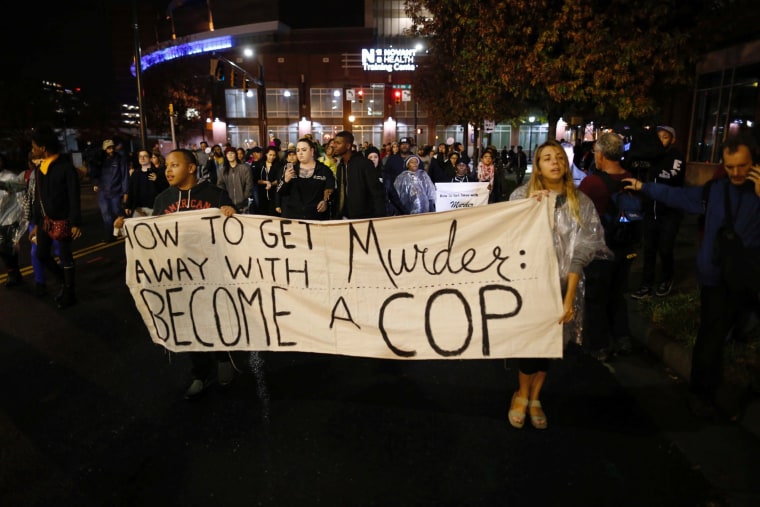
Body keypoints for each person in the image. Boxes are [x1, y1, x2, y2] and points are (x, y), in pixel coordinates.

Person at [622, 131, 760, 418]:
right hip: (717, 278)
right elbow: (681, 197)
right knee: (711, 334)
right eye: (729, 165)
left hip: (750, 276)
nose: (735, 172)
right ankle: (701, 393)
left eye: (742, 166)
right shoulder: (716, 190)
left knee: (739, 331)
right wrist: (643, 186)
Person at [508, 140, 610, 429]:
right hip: (529, 286)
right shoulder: (521, 197)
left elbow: (584, 247)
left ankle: (535, 396)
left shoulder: (581, 202)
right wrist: (531, 212)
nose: (555, 163)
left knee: (551, 345)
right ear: (537, 166)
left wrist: (568, 296)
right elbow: (508, 239)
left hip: (565, 285)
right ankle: (521, 394)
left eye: (560, 158)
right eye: (547, 158)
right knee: (531, 344)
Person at [152, 148, 237, 400]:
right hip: (179, 276)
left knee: (216, 316)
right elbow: (151, 236)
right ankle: (199, 372)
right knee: (188, 322)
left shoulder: (215, 194)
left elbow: (236, 234)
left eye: (174, 165)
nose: (168, 170)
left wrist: (231, 215)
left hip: (212, 273)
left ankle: (223, 358)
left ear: (190, 168)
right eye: (166, 165)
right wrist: (126, 228)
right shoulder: (162, 200)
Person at [578, 133, 637, 360]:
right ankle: (622, 338)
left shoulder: (592, 182)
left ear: (600, 154)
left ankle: (599, 345)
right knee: (617, 294)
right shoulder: (629, 177)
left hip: (601, 247)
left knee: (596, 297)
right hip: (625, 245)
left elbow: (575, 207)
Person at [29, 124, 83, 309]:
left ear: (43, 148)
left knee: (66, 257)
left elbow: (74, 197)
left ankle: (70, 292)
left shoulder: (65, 168)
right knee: (42, 254)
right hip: (45, 222)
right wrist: (36, 223)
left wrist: (75, 222)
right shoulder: (40, 169)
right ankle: (63, 281)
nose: (32, 150)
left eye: (34, 146)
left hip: (64, 221)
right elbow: (39, 199)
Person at [630, 125, 686, 299]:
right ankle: (646, 285)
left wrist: (652, 170)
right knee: (649, 250)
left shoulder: (676, 156)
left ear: (673, 140)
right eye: (659, 136)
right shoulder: (649, 155)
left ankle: (666, 279)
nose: (661, 140)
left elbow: (673, 175)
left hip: (670, 213)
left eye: (666, 137)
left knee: (665, 248)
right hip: (650, 211)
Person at [330, 130, 386, 219]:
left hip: (364, 218)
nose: (333, 145)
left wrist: (380, 218)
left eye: (338, 143)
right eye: (334, 143)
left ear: (348, 146)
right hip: (344, 217)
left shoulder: (364, 163)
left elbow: (377, 193)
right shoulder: (340, 166)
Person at [277, 137, 335, 220]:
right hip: (293, 217)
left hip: (316, 217)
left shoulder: (324, 170)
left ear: (312, 151)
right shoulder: (290, 169)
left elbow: (331, 190)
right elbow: (280, 192)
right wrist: (285, 180)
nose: (300, 153)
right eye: (298, 150)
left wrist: (325, 202)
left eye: (304, 150)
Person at [90, 139, 129, 242]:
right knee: (106, 214)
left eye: (112, 147)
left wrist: (125, 192)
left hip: (116, 191)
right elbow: (94, 172)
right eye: (108, 148)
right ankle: (110, 235)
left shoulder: (120, 159)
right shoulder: (100, 159)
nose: (111, 150)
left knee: (118, 211)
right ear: (104, 149)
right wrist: (95, 183)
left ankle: (125, 230)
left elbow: (124, 176)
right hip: (103, 191)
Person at [0, 154, 27, 288]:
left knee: (8, 249)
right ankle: (13, 273)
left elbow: (19, 197)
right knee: (3, 250)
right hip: (1, 218)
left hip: (10, 218)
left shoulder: (10, 177)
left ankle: (14, 274)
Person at [124, 149, 168, 219]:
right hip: (138, 209)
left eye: (145, 156)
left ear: (150, 158)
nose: (142, 158)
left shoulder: (158, 172)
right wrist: (128, 206)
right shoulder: (135, 174)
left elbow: (165, 190)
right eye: (140, 156)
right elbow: (131, 190)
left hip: (154, 209)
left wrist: (157, 180)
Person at [382, 137, 414, 215]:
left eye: (406, 144)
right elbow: (386, 175)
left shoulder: (414, 159)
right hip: (395, 196)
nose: (404, 146)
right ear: (399, 146)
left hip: (412, 195)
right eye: (402, 144)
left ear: (409, 146)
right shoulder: (392, 159)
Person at [217, 146, 253, 214]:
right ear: (226, 156)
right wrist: (225, 198)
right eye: (228, 153)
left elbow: (249, 184)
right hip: (229, 205)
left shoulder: (245, 168)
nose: (230, 155)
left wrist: (244, 197)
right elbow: (220, 186)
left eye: (232, 153)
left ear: (236, 155)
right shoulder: (222, 171)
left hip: (243, 205)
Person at [252, 146, 283, 216]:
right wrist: (265, 182)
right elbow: (255, 179)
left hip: (274, 195)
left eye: (274, 155)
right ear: (266, 154)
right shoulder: (260, 164)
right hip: (261, 195)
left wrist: (271, 184)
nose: (272, 157)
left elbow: (280, 179)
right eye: (270, 155)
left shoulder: (278, 165)